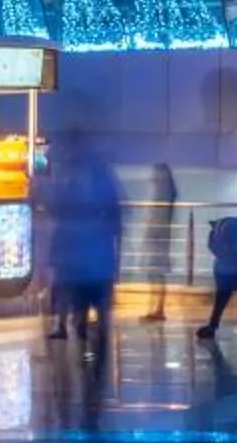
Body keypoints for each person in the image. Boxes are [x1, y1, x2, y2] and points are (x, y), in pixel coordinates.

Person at [50, 133, 123, 354]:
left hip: (83, 257)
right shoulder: (101, 185)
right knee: (96, 309)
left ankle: (88, 352)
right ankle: (94, 359)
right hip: (93, 258)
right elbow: (116, 221)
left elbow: (61, 212)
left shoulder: (75, 183)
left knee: (86, 308)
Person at [140, 160, 180, 321]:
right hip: (159, 235)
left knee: (156, 272)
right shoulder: (164, 195)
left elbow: (156, 217)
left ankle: (158, 308)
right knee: (155, 272)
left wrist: (151, 233)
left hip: (158, 236)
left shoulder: (161, 196)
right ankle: (156, 307)